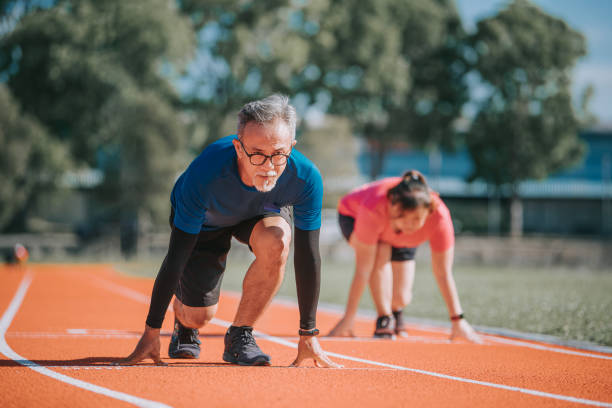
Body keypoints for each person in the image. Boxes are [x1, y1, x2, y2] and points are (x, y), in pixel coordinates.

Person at [117, 94, 341, 367]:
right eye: (257, 154)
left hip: (261, 210)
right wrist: (151, 331)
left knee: (278, 242)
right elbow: (176, 257)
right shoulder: (204, 176)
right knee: (199, 316)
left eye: (279, 154)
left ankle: (240, 335)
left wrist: (308, 334)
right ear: (238, 147)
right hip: (207, 223)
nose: (269, 167)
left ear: (291, 147)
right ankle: (183, 319)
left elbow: (308, 256)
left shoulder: (305, 178)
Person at [327, 170, 481, 343]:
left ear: (427, 212)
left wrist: (457, 320)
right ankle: (384, 317)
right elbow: (363, 270)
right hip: (354, 215)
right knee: (380, 250)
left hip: (397, 235)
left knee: (401, 298)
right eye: (404, 218)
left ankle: (395, 310)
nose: (410, 225)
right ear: (393, 209)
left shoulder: (439, 218)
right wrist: (348, 319)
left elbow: (443, 273)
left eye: (416, 219)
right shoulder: (373, 209)